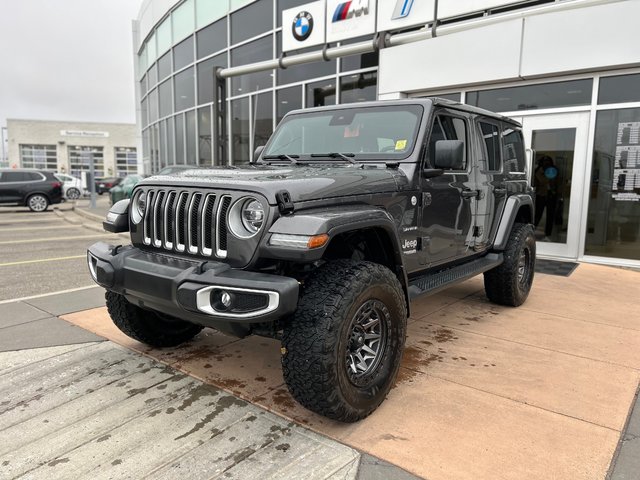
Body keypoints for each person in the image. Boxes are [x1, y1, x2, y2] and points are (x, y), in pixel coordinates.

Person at [533, 155, 559, 241]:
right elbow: (541, 181)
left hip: (551, 195)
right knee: (537, 215)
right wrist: (543, 173)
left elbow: (556, 182)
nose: (547, 164)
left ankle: (548, 234)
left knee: (550, 216)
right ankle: (532, 231)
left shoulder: (554, 170)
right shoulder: (538, 171)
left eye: (548, 162)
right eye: (545, 163)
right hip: (541, 195)